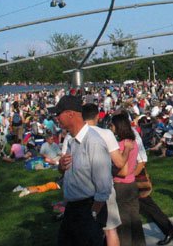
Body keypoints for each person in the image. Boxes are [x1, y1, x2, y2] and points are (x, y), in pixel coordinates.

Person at [55, 94, 113, 246]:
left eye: (58, 114)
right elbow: (70, 172)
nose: (56, 118)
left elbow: (104, 185)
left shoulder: (93, 142)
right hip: (73, 209)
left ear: (70, 114)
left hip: (87, 209)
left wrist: (93, 213)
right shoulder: (72, 140)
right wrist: (61, 167)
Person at [81, 103, 133, 246]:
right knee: (110, 229)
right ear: (98, 116)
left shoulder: (72, 136)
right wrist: (127, 150)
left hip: (82, 188)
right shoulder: (106, 134)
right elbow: (119, 163)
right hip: (103, 187)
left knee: (87, 230)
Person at [110, 113, 146, 246]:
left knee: (124, 224)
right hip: (132, 183)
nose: (111, 127)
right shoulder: (133, 142)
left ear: (118, 126)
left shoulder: (121, 145)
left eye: (112, 125)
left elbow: (123, 171)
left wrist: (110, 169)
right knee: (135, 220)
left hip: (121, 186)